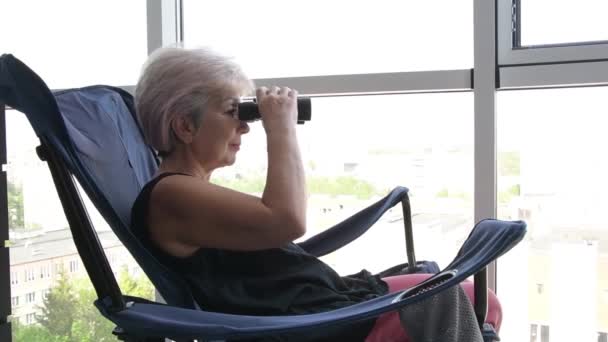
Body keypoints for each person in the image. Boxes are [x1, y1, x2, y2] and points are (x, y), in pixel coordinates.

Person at [131, 46, 501, 342]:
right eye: (233, 111)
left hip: (325, 304)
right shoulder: (171, 196)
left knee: (485, 302)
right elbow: (287, 219)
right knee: (456, 299)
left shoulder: (188, 192)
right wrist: (281, 128)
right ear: (184, 125)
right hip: (317, 325)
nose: (245, 126)